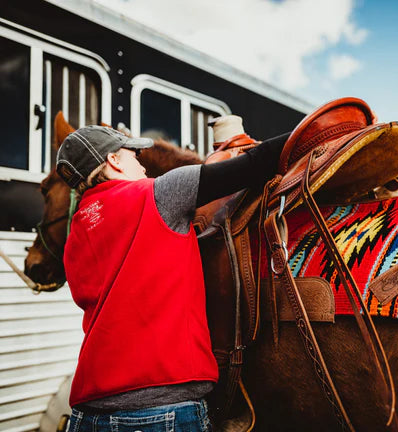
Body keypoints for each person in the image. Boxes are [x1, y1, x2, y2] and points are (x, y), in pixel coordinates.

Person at [57, 124, 288, 431]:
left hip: (88, 413)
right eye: (134, 154)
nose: (141, 162)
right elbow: (255, 164)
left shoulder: (75, 233)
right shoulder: (158, 193)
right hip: (162, 407)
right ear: (114, 160)